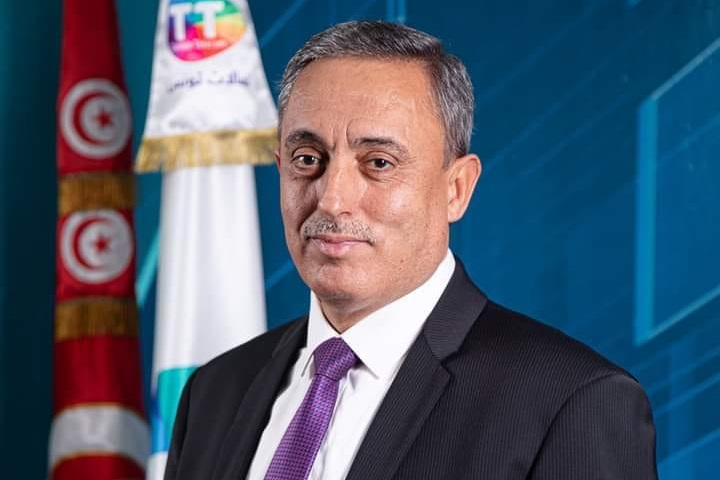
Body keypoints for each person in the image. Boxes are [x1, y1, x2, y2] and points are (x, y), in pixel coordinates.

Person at [164, 21, 657, 480]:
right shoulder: (213, 394)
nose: (331, 198)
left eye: (378, 162)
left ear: (456, 189)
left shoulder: (572, 402)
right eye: (307, 159)